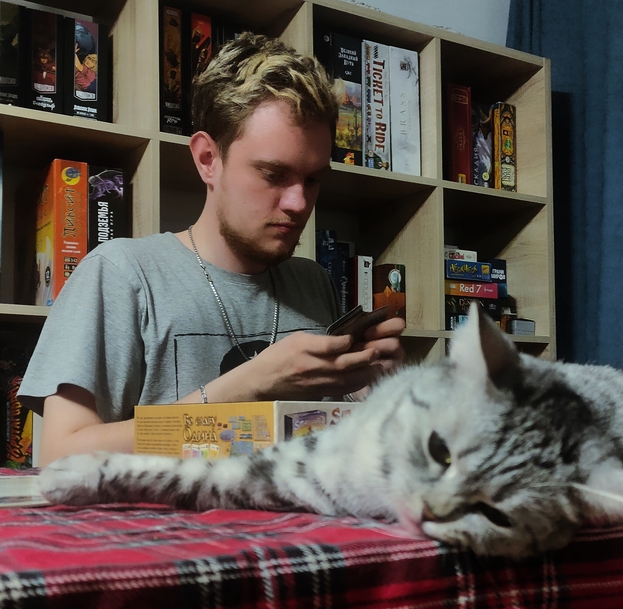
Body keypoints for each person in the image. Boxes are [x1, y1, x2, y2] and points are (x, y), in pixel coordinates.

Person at [19, 32, 405, 466]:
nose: (299, 203)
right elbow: (59, 456)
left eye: (312, 179)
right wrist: (247, 386)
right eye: (273, 174)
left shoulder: (313, 282)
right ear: (207, 158)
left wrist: (373, 391)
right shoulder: (121, 274)